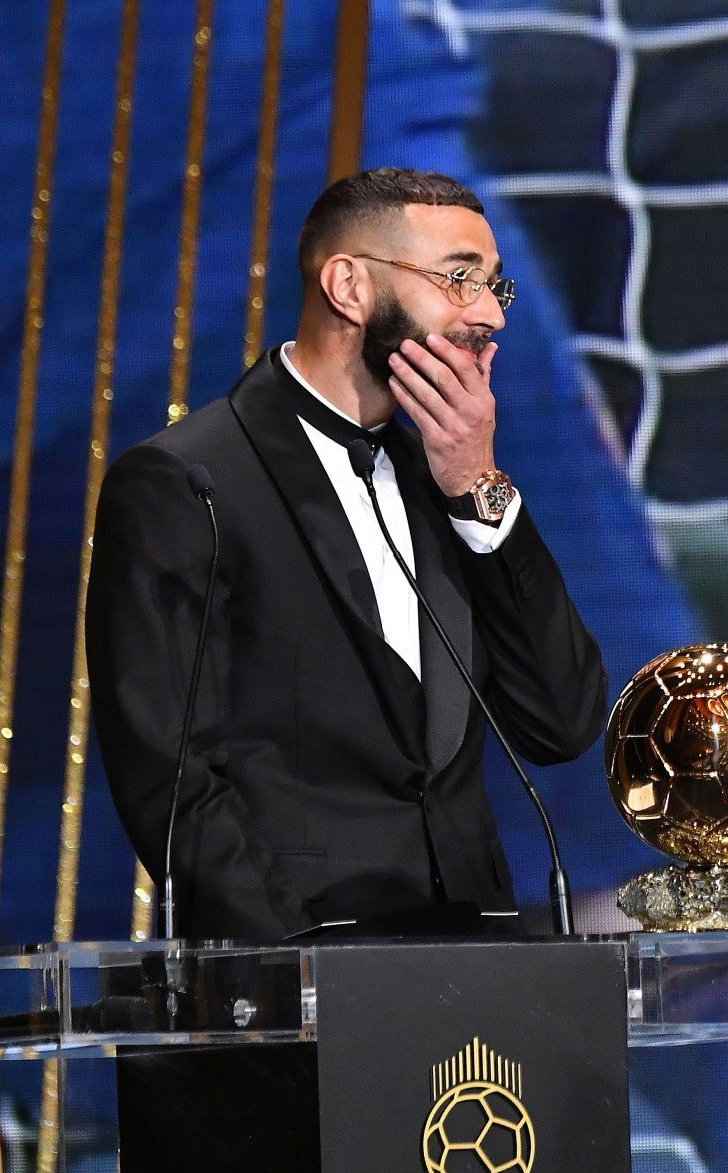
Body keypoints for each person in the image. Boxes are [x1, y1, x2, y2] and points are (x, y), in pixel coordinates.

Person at [87, 167, 608, 941]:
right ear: (349, 286)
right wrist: (302, 977)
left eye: (494, 288)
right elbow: (174, 786)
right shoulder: (186, 483)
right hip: (296, 1002)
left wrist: (479, 489)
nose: (487, 317)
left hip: (479, 991)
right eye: (460, 279)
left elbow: (562, 722)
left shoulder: (452, 480)